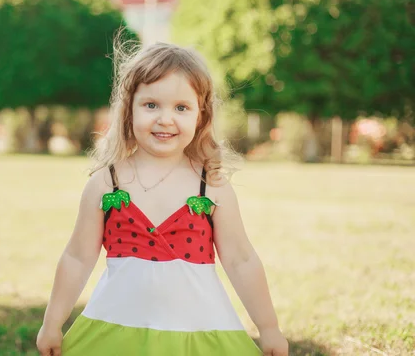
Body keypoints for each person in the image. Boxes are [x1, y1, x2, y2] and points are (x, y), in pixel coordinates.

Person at [36, 40, 288, 356]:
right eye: (151, 105)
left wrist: (269, 329)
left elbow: (241, 259)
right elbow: (77, 257)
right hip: (117, 331)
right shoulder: (106, 183)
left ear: (201, 115)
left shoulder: (210, 185)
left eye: (181, 108)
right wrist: (52, 322)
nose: (165, 119)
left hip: (197, 333)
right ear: (128, 109)